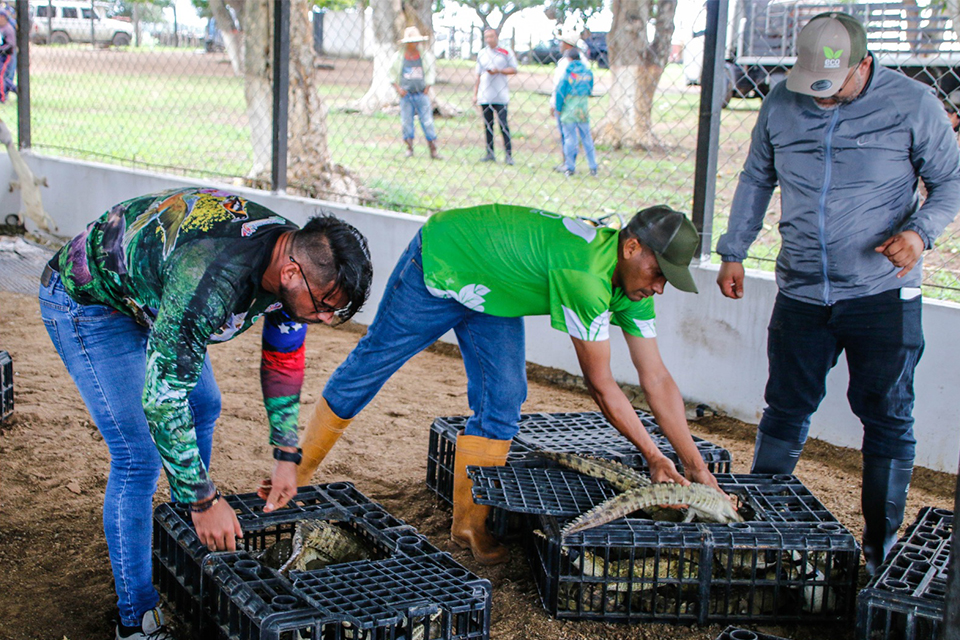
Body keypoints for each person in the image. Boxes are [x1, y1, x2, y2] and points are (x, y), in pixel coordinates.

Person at [288, 203, 724, 566]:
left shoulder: (633, 288)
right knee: (372, 364)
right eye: (660, 272)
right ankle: (298, 476)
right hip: (444, 261)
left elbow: (658, 378)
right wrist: (652, 456)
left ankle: (468, 525)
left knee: (504, 397)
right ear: (632, 247)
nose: (661, 287)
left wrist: (695, 466)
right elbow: (602, 386)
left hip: (492, 290)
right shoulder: (587, 277)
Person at [38, 187, 372, 639]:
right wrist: (205, 500)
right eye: (325, 305)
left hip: (156, 297)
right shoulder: (213, 279)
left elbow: (283, 357)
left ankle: (179, 542)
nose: (327, 320)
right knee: (139, 456)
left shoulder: (290, 262)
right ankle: (136, 619)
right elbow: (161, 399)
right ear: (292, 272)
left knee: (204, 404)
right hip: (91, 302)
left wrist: (286, 452)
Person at [715, 12, 960, 575]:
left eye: (833, 86)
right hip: (801, 290)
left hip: (881, 293)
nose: (820, 99)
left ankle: (880, 551)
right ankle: (765, 535)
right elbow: (757, 177)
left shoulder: (914, 105)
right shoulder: (780, 103)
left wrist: (920, 234)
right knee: (785, 406)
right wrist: (734, 249)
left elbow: (950, 182)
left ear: (864, 65)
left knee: (888, 415)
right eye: (812, 87)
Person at [391, 26, 440, 160]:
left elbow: (430, 72)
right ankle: (409, 148)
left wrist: (428, 87)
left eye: (417, 41)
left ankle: (433, 149)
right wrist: (398, 89)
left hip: (421, 94)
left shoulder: (424, 56)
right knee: (406, 122)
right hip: (406, 95)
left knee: (427, 121)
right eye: (413, 41)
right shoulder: (399, 57)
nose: (416, 44)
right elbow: (392, 74)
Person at [473, 28, 517, 164]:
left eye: (491, 37)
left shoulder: (505, 52)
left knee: (503, 125)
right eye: (486, 37)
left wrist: (499, 71)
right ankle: (490, 153)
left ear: (497, 36)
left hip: (501, 96)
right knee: (488, 125)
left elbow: (514, 69)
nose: (489, 40)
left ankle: (508, 155)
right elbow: (478, 75)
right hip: (485, 95)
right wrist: (475, 94)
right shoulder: (482, 53)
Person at [555, 48, 598, 177]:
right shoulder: (588, 73)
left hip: (568, 109)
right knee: (587, 138)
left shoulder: (568, 73)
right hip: (582, 109)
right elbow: (590, 89)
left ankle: (570, 166)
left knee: (570, 138)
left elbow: (560, 92)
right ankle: (593, 166)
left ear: (569, 59)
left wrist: (558, 108)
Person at [550, 30, 587, 171]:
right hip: (577, 102)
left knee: (567, 134)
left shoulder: (566, 63)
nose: (560, 45)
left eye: (561, 42)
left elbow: (559, 86)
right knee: (571, 134)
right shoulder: (582, 61)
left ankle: (568, 163)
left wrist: (554, 103)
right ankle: (568, 162)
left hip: (564, 102)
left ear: (567, 44)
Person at [0, 10, 16, 103]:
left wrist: (2, 49)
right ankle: (15, 89)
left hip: (6, 56)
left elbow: (11, 44)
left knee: (1, 76)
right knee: (3, 77)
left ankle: (2, 97)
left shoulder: (8, 29)